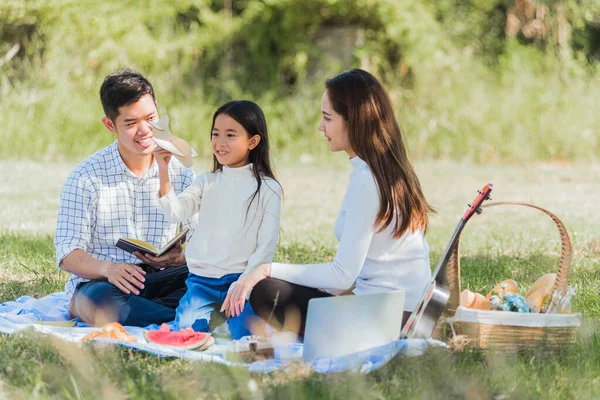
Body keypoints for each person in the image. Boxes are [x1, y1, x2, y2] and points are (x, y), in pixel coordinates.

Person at [223, 68, 434, 336]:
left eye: (327, 117)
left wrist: (265, 269)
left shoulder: (367, 181)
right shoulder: (386, 171)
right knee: (277, 286)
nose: (320, 126)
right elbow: (344, 280)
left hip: (386, 322)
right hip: (402, 313)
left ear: (354, 121)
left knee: (266, 290)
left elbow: (342, 276)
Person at [55, 69, 196, 327]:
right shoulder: (86, 177)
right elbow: (67, 254)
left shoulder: (180, 170)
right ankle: (188, 318)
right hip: (107, 283)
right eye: (131, 123)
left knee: (219, 276)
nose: (145, 131)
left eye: (151, 118)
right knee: (99, 300)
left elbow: (205, 243)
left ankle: (166, 314)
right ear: (110, 125)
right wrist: (109, 269)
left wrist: (180, 259)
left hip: (164, 278)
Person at [154, 100, 282, 339]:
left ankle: (225, 321)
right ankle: (214, 319)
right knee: (184, 333)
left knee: (244, 336)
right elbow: (174, 212)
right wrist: (163, 168)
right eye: (216, 134)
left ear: (253, 142)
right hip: (202, 283)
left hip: (244, 283)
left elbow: (266, 246)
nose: (220, 142)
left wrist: (244, 283)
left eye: (230, 135)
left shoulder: (268, 189)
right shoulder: (206, 182)